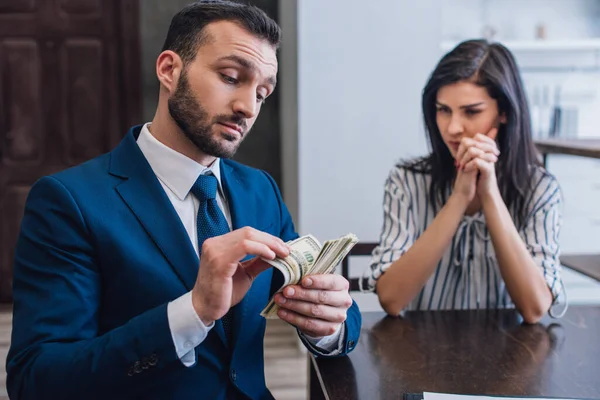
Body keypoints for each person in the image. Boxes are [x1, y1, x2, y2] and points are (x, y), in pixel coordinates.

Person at [7, 2, 361, 399]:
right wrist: (191, 312)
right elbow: (35, 380)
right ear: (169, 70)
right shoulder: (68, 202)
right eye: (230, 77)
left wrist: (329, 322)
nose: (248, 107)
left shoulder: (260, 190)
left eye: (262, 93)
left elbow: (325, 305)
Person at [364, 39, 565, 323]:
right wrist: (459, 198)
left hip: (510, 355)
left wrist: (490, 193)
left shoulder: (540, 189)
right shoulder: (407, 181)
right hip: (421, 353)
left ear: (504, 112)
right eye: (443, 110)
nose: (453, 128)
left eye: (471, 111)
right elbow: (392, 299)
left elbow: (534, 308)